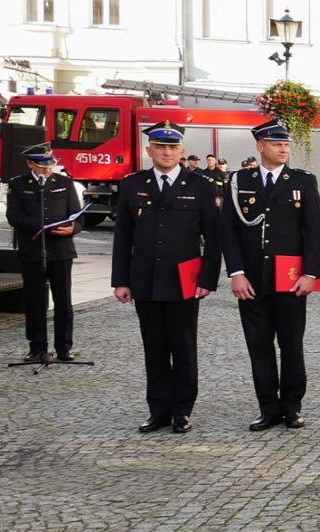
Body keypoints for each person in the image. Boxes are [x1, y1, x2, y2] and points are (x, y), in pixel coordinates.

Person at [111, 121, 222, 434]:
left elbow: (214, 238)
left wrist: (207, 279)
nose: (166, 152)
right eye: (160, 147)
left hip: (184, 281)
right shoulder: (133, 184)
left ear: (182, 151)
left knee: (183, 347)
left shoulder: (201, 186)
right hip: (145, 280)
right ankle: (158, 410)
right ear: (149, 151)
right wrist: (121, 280)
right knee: (154, 348)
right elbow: (123, 237)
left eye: (172, 147)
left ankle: (182, 411)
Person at [222, 118, 320, 431]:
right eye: (277, 143)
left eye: (286, 144)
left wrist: (310, 273)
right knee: (259, 346)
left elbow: (314, 232)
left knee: (291, 345)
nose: (283, 148)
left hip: (290, 279)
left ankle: (292, 407)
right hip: (252, 280)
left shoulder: (302, 181)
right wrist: (236, 273)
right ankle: (268, 408)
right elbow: (229, 230)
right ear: (260, 146)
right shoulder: (240, 181)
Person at [5, 143, 82, 364]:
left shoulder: (65, 183)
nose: (47, 170)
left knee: (63, 301)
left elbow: (78, 216)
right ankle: (37, 347)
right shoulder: (18, 185)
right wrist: (43, 225)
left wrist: (73, 228)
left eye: (50, 165)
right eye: (41, 166)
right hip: (33, 250)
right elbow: (14, 216)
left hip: (61, 251)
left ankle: (64, 347)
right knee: (34, 301)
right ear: (30, 164)